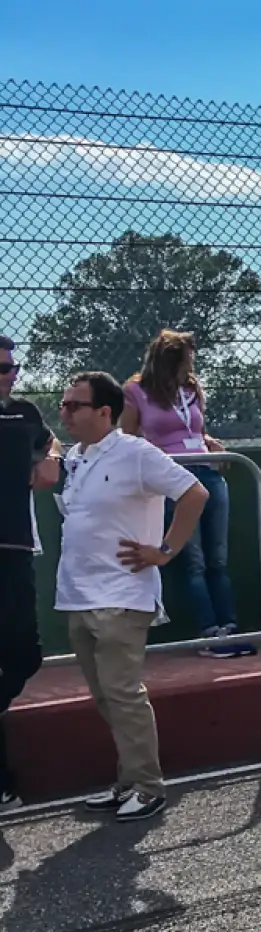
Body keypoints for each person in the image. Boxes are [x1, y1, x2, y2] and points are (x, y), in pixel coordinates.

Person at [53, 371, 209, 821]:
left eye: (73, 406)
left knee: (122, 694)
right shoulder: (78, 458)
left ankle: (147, 785)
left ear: (105, 412)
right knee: (106, 698)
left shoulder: (136, 453)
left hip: (121, 596)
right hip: (78, 595)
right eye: (63, 404)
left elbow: (194, 493)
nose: (64, 413)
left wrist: (164, 550)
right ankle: (127, 781)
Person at [120, 329, 254, 659]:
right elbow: (130, 438)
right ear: (169, 361)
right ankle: (210, 632)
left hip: (208, 472)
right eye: (186, 359)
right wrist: (156, 460)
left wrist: (210, 441)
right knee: (192, 559)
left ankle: (230, 628)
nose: (191, 365)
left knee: (217, 559)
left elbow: (195, 429)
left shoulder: (191, 388)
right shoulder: (136, 390)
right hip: (174, 479)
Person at [0, 335, 61, 810]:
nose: (9, 374)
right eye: (1, 368)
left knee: (26, 654)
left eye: (12, 367)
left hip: (15, 548)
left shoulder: (22, 414)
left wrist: (52, 458)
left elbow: (48, 441)